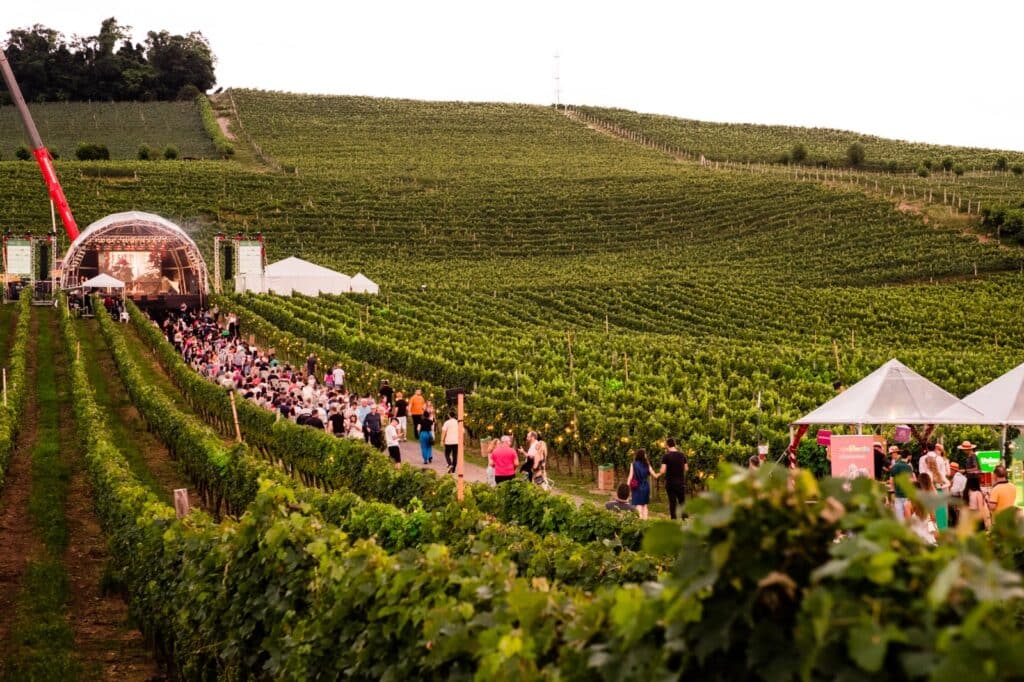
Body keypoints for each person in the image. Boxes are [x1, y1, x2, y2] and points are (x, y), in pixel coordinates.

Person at [658, 439, 688, 520]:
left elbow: (663, 470)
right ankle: (685, 519)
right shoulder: (682, 455)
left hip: (670, 483)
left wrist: (660, 471)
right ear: (674, 445)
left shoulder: (666, 456)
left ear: (667, 445)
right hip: (680, 483)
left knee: (672, 502)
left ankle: (674, 519)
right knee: (682, 501)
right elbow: (686, 468)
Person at [626, 448, 659, 521]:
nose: (646, 455)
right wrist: (662, 472)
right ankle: (645, 522)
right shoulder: (647, 464)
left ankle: (640, 522)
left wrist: (627, 486)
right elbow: (655, 475)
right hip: (645, 487)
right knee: (645, 505)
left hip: (637, 486)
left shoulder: (633, 464)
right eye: (645, 454)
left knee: (638, 505)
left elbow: (630, 476)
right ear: (642, 455)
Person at [922, 452, 949, 530]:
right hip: (940, 493)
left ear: (928, 464)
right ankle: (943, 530)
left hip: (932, 495)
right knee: (941, 513)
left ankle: (936, 532)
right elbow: (948, 483)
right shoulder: (939, 473)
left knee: (934, 514)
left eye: (926, 463)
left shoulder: (927, 474)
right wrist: (941, 487)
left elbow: (930, 486)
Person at [888, 447, 915, 521]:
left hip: (897, 495)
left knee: (899, 517)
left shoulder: (894, 466)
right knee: (908, 516)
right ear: (909, 456)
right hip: (906, 495)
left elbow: (891, 480)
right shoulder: (908, 467)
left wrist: (894, 489)